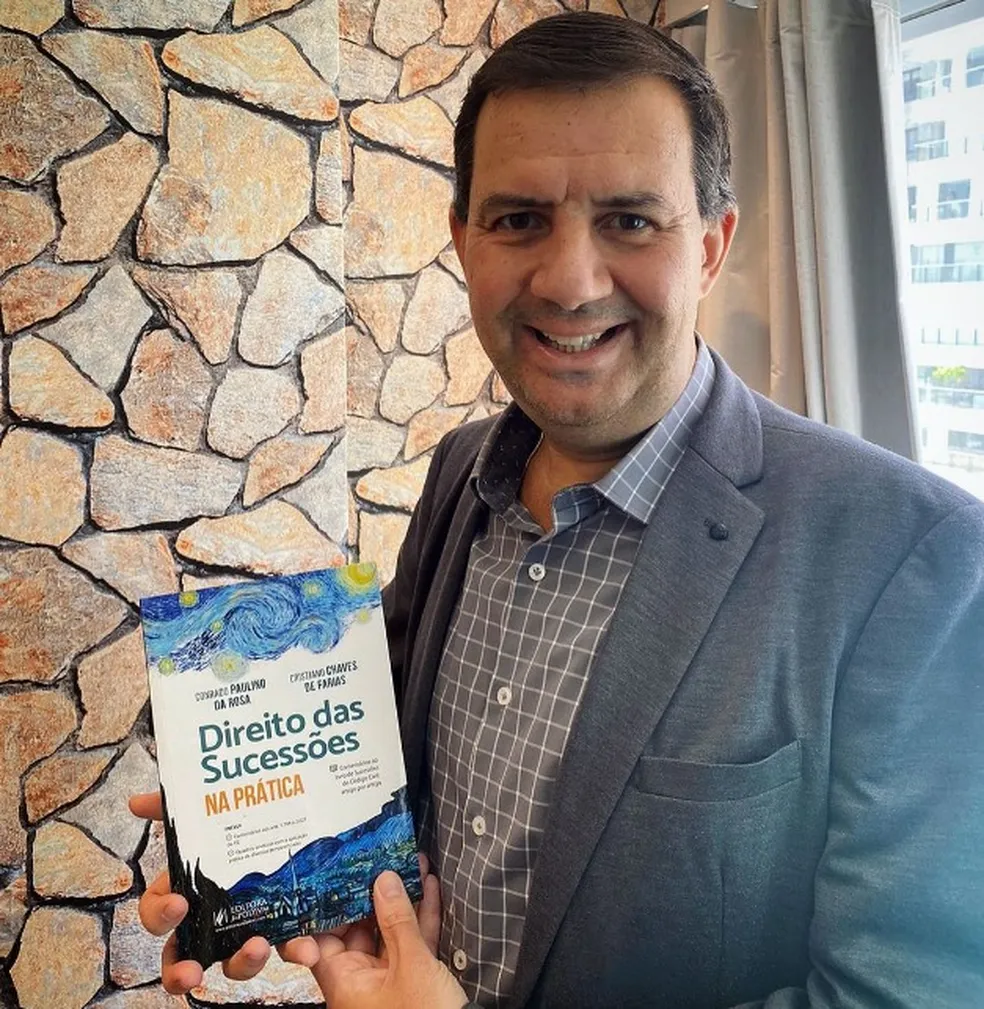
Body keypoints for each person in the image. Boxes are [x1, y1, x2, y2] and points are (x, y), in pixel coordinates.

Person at [132, 12, 984, 1008]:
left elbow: (905, 989)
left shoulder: (914, 558)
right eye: (519, 220)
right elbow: (385, 756)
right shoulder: (460, 473)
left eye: (631, 221)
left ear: (712, 247)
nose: (571, 283)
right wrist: (252, 842)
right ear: (464, 242)